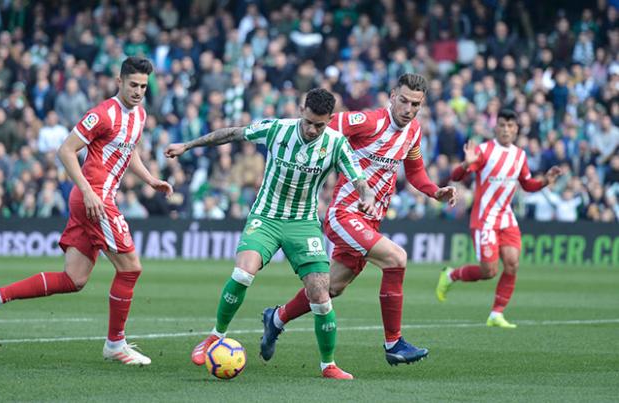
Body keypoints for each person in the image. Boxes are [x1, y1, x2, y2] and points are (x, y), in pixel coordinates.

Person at [0, 57, 173, 366]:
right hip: (95, 198)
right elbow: (65, 150)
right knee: (130, 269)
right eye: (133, 85)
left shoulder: (140, 116)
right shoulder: (102, 114)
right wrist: (90, 191)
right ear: (119, 82)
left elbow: (127, 151)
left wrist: (151, 179)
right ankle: (115, 344)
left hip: (92, 198)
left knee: (74, 279)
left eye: (143, 87)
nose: (138, 91)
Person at [164, 88, 375, 379]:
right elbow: (231, 133)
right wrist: (188, 145)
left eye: (320, 125)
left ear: (330, 120)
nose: (313, 129)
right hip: (266, 216)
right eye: (309, 122)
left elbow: (360, 179)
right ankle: (215, 336)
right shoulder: (277, 129)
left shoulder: (337, 143)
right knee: (243, 273)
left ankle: (328, 365)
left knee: (321, 296)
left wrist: (368, 197)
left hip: (303, 224)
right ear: (302, 110)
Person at [260, 73, 457, 366]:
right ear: (392, 96)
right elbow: (325, 126)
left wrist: (434, 191)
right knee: (396, 259)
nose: (408, 109)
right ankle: (394, 343)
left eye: (415, 104)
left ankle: (276, 318)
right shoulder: (368, 121)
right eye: (403, 100)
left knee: (330, 289)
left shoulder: (414, 132)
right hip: (345, 213)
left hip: (371, 220)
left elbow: (415, 172)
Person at [436, 109, 562, 328]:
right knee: (489, 271)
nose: (506, 129)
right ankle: (451, 275)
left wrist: (544, 181)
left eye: (510, 125)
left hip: (506, 218)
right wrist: (466, 164)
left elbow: (526, 184)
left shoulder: (519, 155)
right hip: (484, 219)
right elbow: (455, 177)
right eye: (502, 125)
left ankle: (496, 314)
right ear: (495, 127)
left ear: (516, 129)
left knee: (512, 264)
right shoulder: (484, 151)